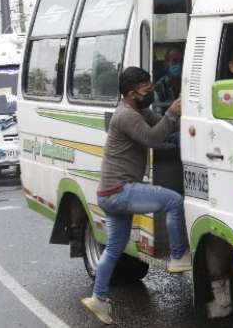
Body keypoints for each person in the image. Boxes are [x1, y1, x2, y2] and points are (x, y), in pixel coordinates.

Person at [81, 67, 191, 325]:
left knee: (114, 248)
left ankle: (98, 299)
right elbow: (152, 138)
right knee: (173, 201)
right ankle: (178, 257)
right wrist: (173, 113)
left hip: (111, 193)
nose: (151, 92)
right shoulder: (125, 116)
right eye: (146, 90)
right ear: (131, 94)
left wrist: (181, 131)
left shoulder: (139, 110)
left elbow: (163, 130)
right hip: (119, 191)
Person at [153, 47, 183, 115]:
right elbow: (158, 113)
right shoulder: (160, 86)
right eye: (174, 61)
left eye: (181, 61)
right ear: (166, 63)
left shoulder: (188, 84)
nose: (179, 64)